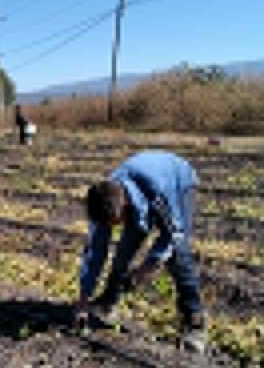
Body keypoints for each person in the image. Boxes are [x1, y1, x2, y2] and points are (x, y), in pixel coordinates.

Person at [76, 151, 207, 354]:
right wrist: (83, 298)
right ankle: (109, 302)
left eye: (115, 223)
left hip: (177, 182)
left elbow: (174, 234)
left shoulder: (156, 191)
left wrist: (148, 266)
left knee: (179, 257)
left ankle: (195, 323)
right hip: (140, 197)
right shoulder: (103, 199)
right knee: (123, 253)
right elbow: (95, 251)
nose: (114, 227)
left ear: (124, 207)